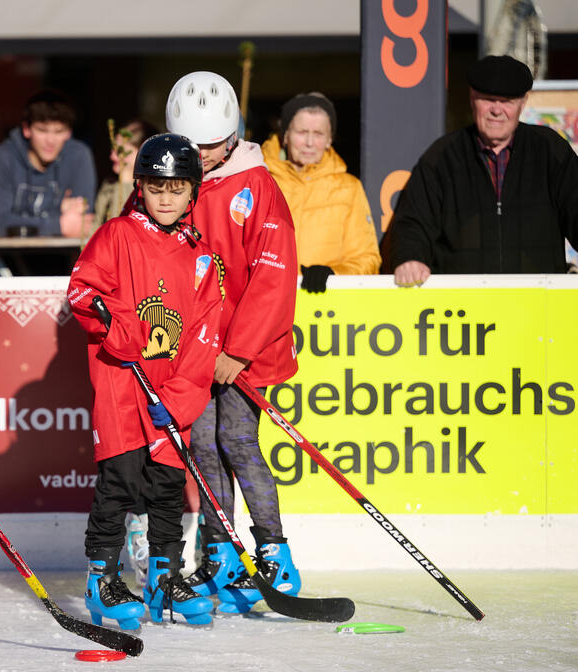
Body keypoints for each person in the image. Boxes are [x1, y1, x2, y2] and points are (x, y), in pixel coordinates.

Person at [68, 133, 224, 629]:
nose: (165, 197)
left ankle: (164, 580)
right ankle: (104, 580)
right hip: (121, 387)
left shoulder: (201, 257)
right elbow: (81, 293)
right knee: (118, 485)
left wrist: (180, 399)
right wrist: (121, 329)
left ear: (193, 191)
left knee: (166, 486)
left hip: (168, 394)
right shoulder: (116, 236)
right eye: (156, 186)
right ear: (140, 186)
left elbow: (204, 335)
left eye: (176, 187)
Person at [165, 71, 301, 614]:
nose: (206, 155)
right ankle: (220, 552)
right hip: (196, 350)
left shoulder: (258, 186)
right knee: (202, 445)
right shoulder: (168, 181)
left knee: (238, 441)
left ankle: (273, 551)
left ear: (234, 135)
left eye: (215, 144)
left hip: (247, 350)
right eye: (194, 146)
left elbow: (274, 275)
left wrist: (239, 350)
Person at [391, 54, 578, 286]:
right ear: (472, 99)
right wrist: (411, 258)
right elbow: (413, 222)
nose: (497, 110)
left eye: (507, 101)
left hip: (538, 304)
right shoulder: (441, 157)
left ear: (523, 102)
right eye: (488, 100)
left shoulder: (550, 150)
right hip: (464, 311)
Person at [261, 92, 380, 292]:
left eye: (318, 134)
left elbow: (367, 260)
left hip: (324, 311)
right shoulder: (259, 181)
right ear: (286, 136)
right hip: (265, 305)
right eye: (301, 132)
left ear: (329, 140)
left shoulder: (349, 188)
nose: (309, 142)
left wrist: (333, 274)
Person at [0, 89, 97, 239]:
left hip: (61, 257)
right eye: (42, 130)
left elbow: (82, 224)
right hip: (5, 257)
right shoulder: (2, 158)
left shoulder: (79, 156)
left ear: (68, 132)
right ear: (26, 129)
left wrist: (18, 220)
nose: (50, 141)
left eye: (58, 131)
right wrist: (59, 220)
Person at [93, 118, 159, 228]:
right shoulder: (109, 185)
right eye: (113, 149)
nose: (112, 156)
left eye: (121, 151)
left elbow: (120, 224)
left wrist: (125, 182)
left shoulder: (155, 189)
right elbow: (97, 226)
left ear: (143, 153)